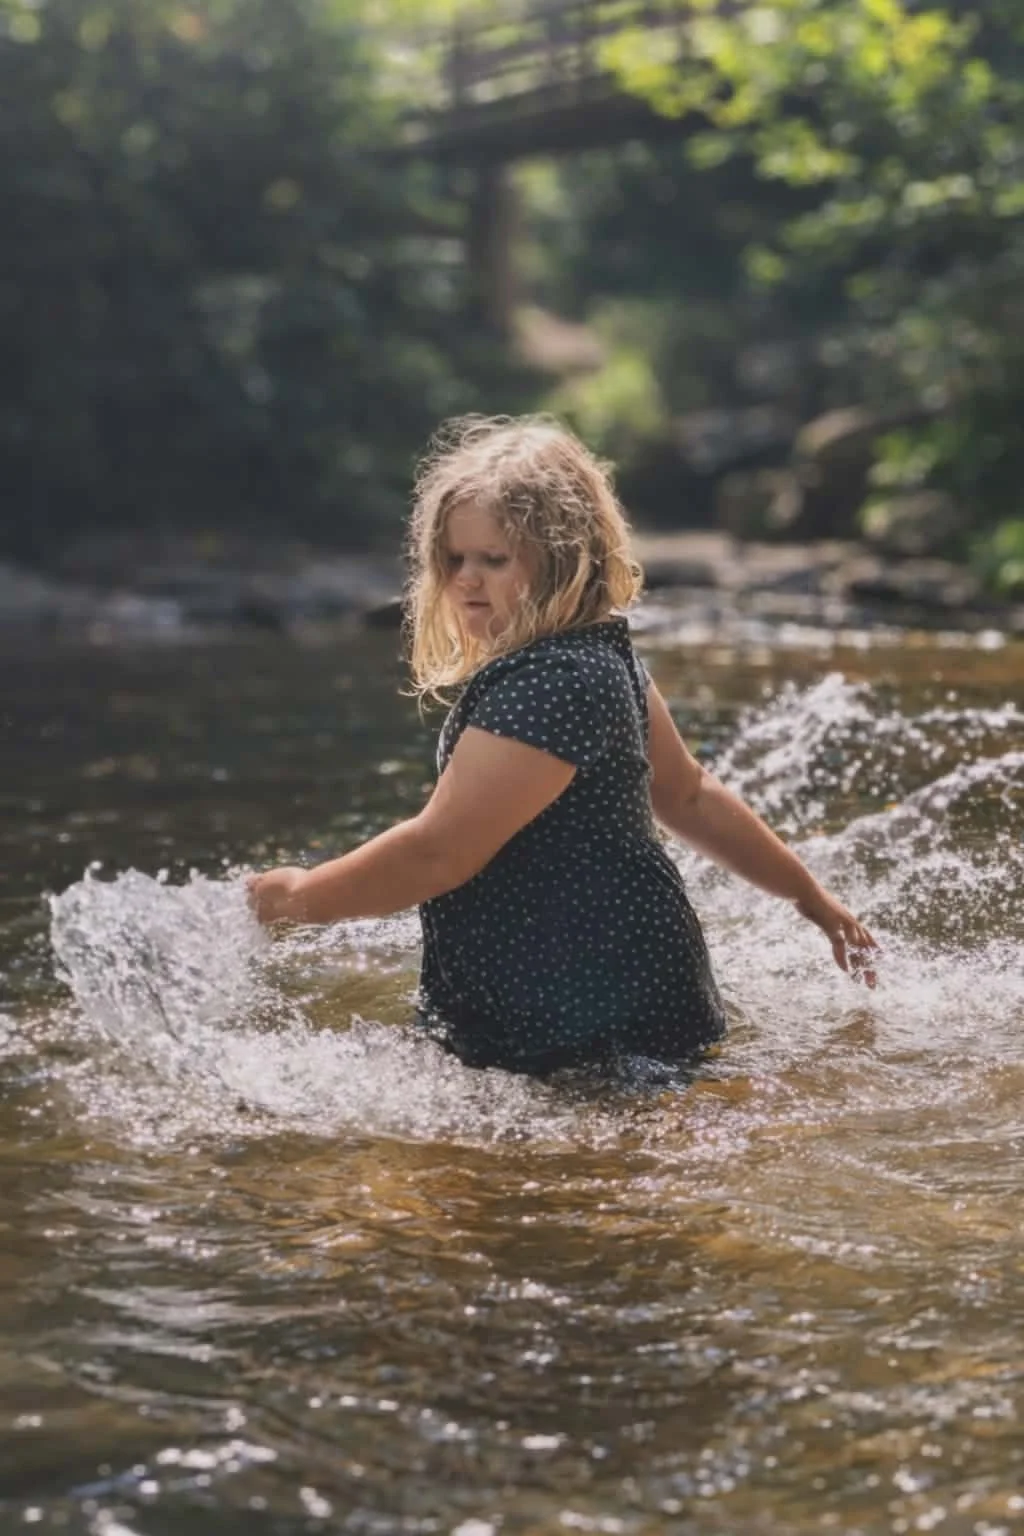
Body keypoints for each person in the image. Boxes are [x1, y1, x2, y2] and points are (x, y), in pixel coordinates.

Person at [249, 415, 877, 1075]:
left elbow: (440, 851)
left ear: (566, 561)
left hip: (580, 1011)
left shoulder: (553, 685)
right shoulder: (598, 659)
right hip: (634, 993)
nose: (466, 580)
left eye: (494, 560)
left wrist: (299, 896)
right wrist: (808, 894)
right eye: (453, 558)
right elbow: (688, 794)